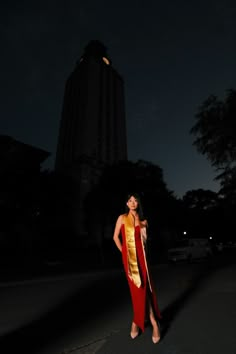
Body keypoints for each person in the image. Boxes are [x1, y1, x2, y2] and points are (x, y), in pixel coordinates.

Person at [113, 192, 162, 344]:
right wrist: (124, 253)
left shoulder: (144, 222)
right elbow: (115, 237)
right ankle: (152, 322)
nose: (133, 203)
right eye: (130, 201)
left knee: (146, 290)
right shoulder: (122, 218)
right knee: (138, 292)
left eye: (135, 200)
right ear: (126, 204)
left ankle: (138, 322)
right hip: (130, 262)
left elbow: (145, 244)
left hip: (143, 261)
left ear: (138, 203)